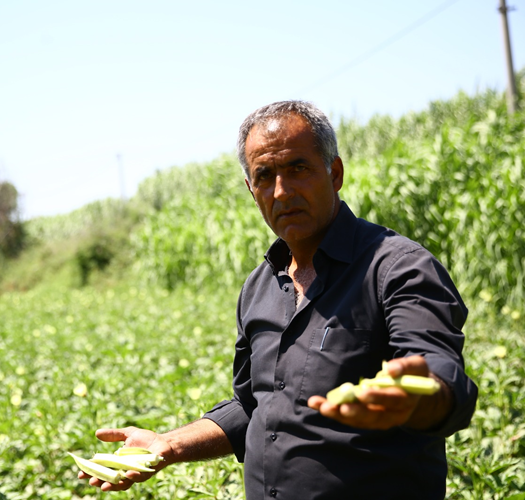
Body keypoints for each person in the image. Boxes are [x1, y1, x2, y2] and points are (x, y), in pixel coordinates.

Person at [79, 100, 478, 499]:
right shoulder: (259, 287)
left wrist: (419, 397)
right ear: (252, 191)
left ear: (334, 173)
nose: (282, 191)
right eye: (265, 176)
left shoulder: (397, 268)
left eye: (298, 169)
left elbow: (444, 377)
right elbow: (253, 404)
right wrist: (170, 445)